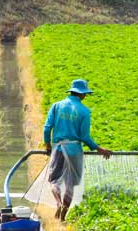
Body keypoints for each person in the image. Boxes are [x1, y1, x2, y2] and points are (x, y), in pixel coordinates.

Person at [43, 79, 112, 221]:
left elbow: (47, 127)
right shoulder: (84, 111)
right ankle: (63, 216)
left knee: (54, 180)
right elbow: (84, 136)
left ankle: (58, 202)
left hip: (59, 148)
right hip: (74, 149)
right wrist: (99, 149)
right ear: (82, 95)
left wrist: (48, 144)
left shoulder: (57, 106)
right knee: (71, 183)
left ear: (71, 91)